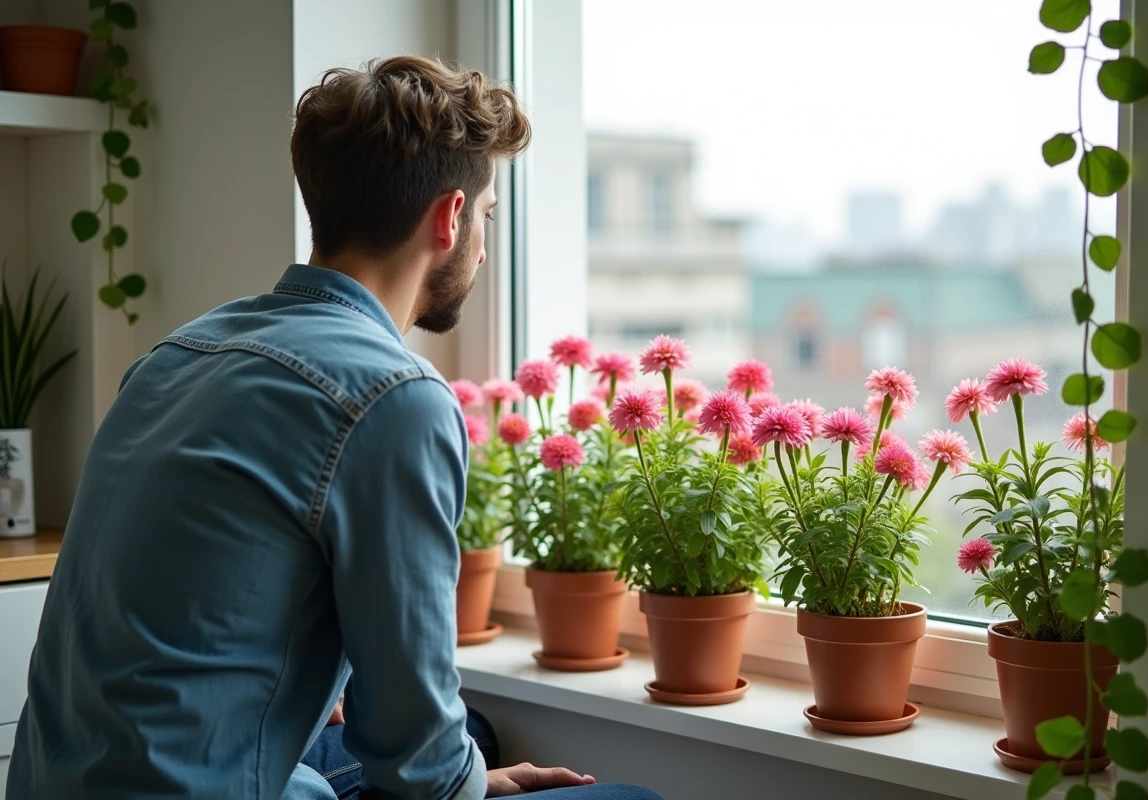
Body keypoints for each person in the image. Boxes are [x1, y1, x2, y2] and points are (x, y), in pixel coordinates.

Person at [6, 56, 660, 800]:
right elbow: (418, 766)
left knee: (470, 732)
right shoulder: (395, 398)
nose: (482, 245)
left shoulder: (174, 355)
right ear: (449, 218)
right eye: (486, 217)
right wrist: (469, 783)